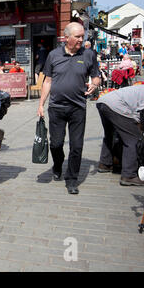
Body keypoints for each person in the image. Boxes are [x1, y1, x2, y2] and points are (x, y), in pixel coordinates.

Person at [37, 22, 100, 195]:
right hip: (56, 107)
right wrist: (41, 104)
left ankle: (72, 179)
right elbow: (47, 81)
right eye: (78, 36)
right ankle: (58, 164)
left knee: (77, 146)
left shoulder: (88, 55)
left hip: (78, 108)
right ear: (67, 38)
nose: (82, 39)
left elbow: (96, 77)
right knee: (56, 144)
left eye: (82, 36)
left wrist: (94, 85)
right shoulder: (53, 55)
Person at [96, 85, 144, 186]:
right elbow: (142, 112)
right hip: (116, 105)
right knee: (133, 138)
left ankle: (105, 164)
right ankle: (129, 175)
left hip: (103, 101)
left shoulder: (143, 89)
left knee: (110, 134)